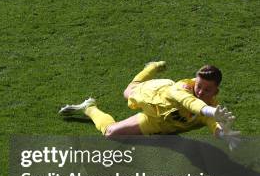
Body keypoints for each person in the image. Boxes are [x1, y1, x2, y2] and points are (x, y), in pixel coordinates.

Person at [58, 62, 241, 149]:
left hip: (160, 124)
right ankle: (90, 108)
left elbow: (213, 125)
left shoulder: (213, 108)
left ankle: (88, 106)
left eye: (207, 90)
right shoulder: (181, 88)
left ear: (216, 92)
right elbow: (190, 103)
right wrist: (208, 110)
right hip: (153, 99)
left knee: (112, 135)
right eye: (198, 86)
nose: (200, 92)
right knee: (128, 92)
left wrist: (224, 134)